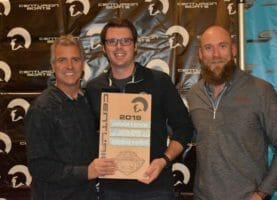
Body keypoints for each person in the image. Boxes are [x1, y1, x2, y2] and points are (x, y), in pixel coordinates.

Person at [86, 19, 194, 200]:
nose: (119, 47)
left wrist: (164, 161)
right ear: (104, 48)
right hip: (111, 190)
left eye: (125, 41)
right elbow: (87, 136)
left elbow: (184, 128)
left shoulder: (159, 82)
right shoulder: (94, 89)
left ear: (135, 46)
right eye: (112, 42)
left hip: (155, 188)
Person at [186, 25, 277, 200]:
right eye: (208, 48)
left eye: (222, 46)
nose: (215, 55)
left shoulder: (260, 90)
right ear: (200, 54)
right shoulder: (194, 94)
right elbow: (188, 134)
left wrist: (262, 193)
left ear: (234, 50)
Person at [25, 35, 116, 200]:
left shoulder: (86, 102)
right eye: (62, 60)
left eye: (75, 59)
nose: (69, 66)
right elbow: (39, 166)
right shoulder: (41, 108)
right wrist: (87, 172)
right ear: (53, 66)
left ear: (82, 64)